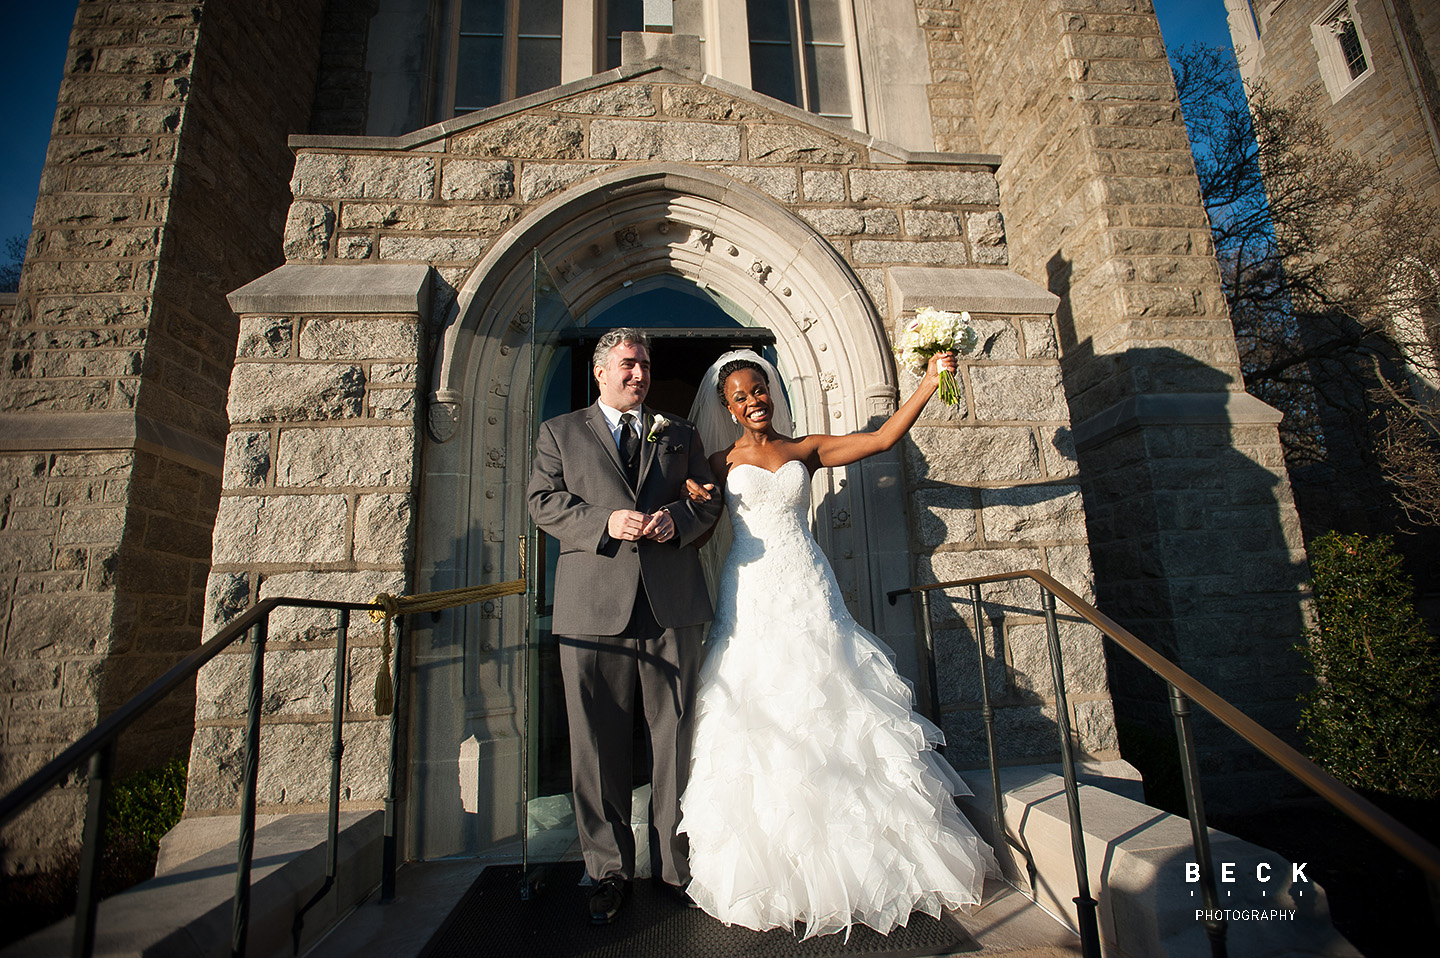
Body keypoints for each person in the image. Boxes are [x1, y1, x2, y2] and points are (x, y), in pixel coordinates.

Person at [678, 348, 994, 940]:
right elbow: (687, 508)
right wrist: (693, 497)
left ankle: (862, 861)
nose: (753, 401)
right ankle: (776, 871)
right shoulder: (717, 461)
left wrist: (929, 382)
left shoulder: (806, 449)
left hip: (808, 585)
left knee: (833, 701)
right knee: (760, 710)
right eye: (740, 396)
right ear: (726, 407)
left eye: (759, 389)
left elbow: (880, 440)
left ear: (772, 391)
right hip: (750, 592)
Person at [527, 328, 722, 925]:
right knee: (595, 745)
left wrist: (681, 521)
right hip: (592, 608)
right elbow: (541, 501)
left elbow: (708, 500)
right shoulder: (560, 432)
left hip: (672, 606)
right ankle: (607, 871)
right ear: (600, 370)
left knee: (677, 741)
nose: (639, 374)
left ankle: (673, 866)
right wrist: (605, 520)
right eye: (629, 365)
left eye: (644, 365)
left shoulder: (680, 433)